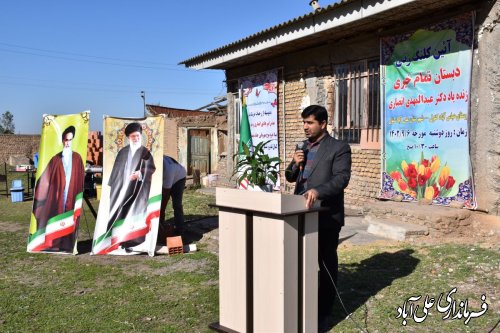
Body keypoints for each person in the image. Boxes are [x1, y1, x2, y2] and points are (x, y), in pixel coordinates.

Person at [285, 105, 351, 322]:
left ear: (323, 123)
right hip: (300, 213)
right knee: (301, 262)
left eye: (310, 122)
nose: (305, 127)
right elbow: (290, 177)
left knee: (325, 263)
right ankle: (303, 303)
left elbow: (341, 179)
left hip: (326, 215)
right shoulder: (302, 146)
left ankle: (324, 310)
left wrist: (318, 191)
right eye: (304, 122)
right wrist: (294, 164)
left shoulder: (338, 148)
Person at [32, 125, 85, 252]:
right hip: (57, 198)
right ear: (62, 140)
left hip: (71, 196)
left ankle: (68, 245)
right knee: (56, 216)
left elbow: (80, 177)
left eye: (70, 140)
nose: (68, 142)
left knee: (70, 218)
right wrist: (41, 200)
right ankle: (55, 244)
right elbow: (44, 181)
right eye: (66, 140)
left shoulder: (77, 158)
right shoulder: (55, 159)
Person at [107, 122, 156, 248]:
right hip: (122, 188)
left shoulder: (145, 152)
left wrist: (140, 174)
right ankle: (119, 239)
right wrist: (114, 188)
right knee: (120, 211)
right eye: (133, 136)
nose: (136, 138)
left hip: (138, 189)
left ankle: (134, 240)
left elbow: (151, 168)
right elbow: (116, 171)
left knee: (134, 212)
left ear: (141, 136)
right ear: (128, 137)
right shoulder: (122, 152)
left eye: (138, 135)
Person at [160, 155, 187, 235]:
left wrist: (162, 211)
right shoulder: (155, 159)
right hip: (171, 173)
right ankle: (159, 225)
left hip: (179, 178)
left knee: (177, 204)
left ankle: (180, 229)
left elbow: (166, 194)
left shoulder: (168, 170)